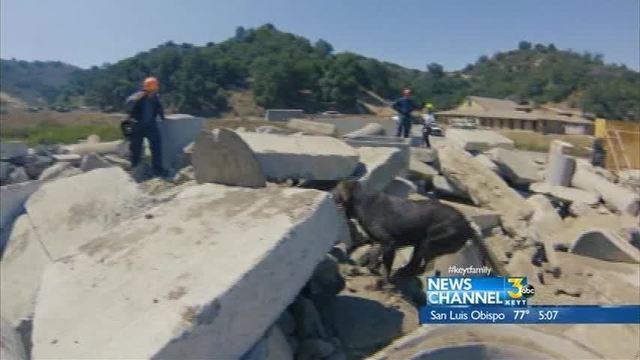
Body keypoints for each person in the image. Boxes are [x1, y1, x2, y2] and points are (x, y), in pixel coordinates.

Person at [125, 77, 168, 178]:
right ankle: (135, 168)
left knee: (156, 147)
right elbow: (128, 104)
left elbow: (159, 108)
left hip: (150, 126)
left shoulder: (155, 97)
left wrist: (163, 118)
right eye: (153, 88)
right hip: (138, 125)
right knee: (136, 148)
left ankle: (157, 169)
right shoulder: (138, 96)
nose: (154, 90)